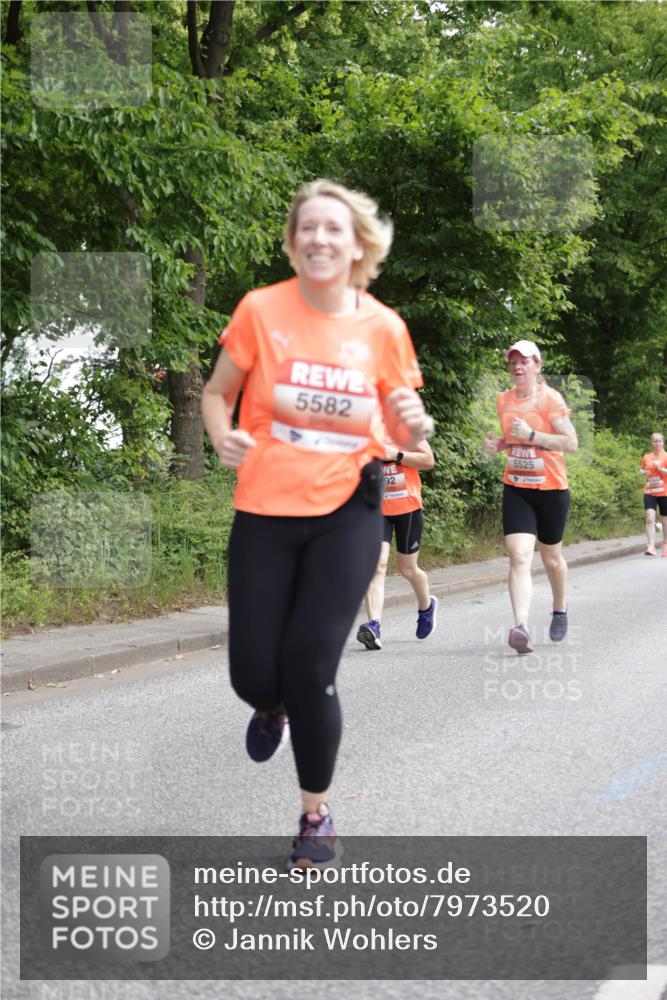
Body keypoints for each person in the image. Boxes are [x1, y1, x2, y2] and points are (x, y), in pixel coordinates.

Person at [201, 179, 434, 869]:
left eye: (334, 228)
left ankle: (315, 814)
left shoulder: (382, 327)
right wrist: (221, 436)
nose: (320, 239)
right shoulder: (259, 310)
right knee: (252, 673)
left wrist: (409, 424)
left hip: (347, 512)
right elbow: (218, 394)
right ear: (292, 241)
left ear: (358, 243)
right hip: (263, 511)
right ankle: (267, 706)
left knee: (311, 666)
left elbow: (400, 422)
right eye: (307, 228)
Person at [483, 340, 578, 654]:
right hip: (517, 488)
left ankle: (560, 607)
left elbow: (571, 442)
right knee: (519, 556)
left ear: (538, 366)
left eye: (524, 362)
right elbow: (514, 440)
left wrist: (533, 436)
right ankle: (520, 627)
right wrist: (502, 444)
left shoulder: (551, 399)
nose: (517, 367)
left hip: (551, 490)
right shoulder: (503, 400)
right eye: (513, 362)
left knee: (551, 559)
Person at [356, 436, 437, 650]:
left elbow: (428, 460)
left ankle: (426, 607)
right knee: (376, 564)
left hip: (408, 509)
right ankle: (374, 626)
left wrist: (397, 455)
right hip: (377, 509)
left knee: (408, 570)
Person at [640, 431, 667, 556]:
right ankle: (650, 546)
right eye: (655, 441)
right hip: (650, 491)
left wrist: (661, 469)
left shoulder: (666, 456)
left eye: (659, 441)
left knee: (664, 520)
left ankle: (665, 544)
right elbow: (642, 469)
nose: (657, 443)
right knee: (650, 518)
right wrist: (644, 473)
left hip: (664, 492)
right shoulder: (646, 457)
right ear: (651, 443)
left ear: (663, 442)